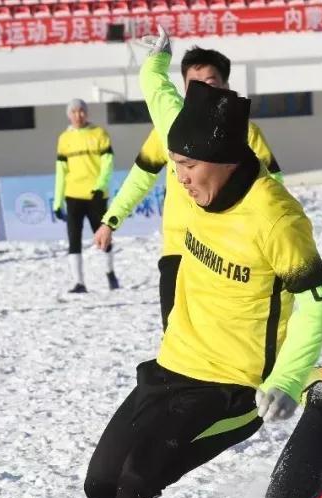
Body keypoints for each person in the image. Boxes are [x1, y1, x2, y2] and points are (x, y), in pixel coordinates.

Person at [82, 27, 322, 498]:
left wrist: (289, 380)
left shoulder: (276, 218)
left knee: (140, 477)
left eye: (188, 171)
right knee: (102, 483)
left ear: (220, 159)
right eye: (174, 167)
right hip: (173, 362)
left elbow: (317, 302)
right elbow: (158, 91)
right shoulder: (184, 145)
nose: (180, 181)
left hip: (232, 385)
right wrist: (157, 57)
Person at [93, 46, 284, 329]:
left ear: (226, 85)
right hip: (178, 249)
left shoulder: (246, 133)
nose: (205, 91)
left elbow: (273, 187)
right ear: (184, 89)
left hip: (227, 251)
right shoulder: (170, 130)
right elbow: (141, 177)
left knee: (224, 337)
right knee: (175, 337)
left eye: (211, 82)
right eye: (195, 85)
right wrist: (111, 220)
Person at [53, 99, 118, 294]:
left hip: (96, 195)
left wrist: (100, 186)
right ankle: (79, 282)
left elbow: (108, 162)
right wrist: (57, 202)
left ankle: (110, 272)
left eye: (81, 111)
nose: (78, 115)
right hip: (73, 196)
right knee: (74, 239)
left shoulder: (99, 134)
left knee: (103, 237)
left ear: (86, 113)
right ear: (68, 114)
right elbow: (61, 171)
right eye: (73, 112)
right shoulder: (64, 139)